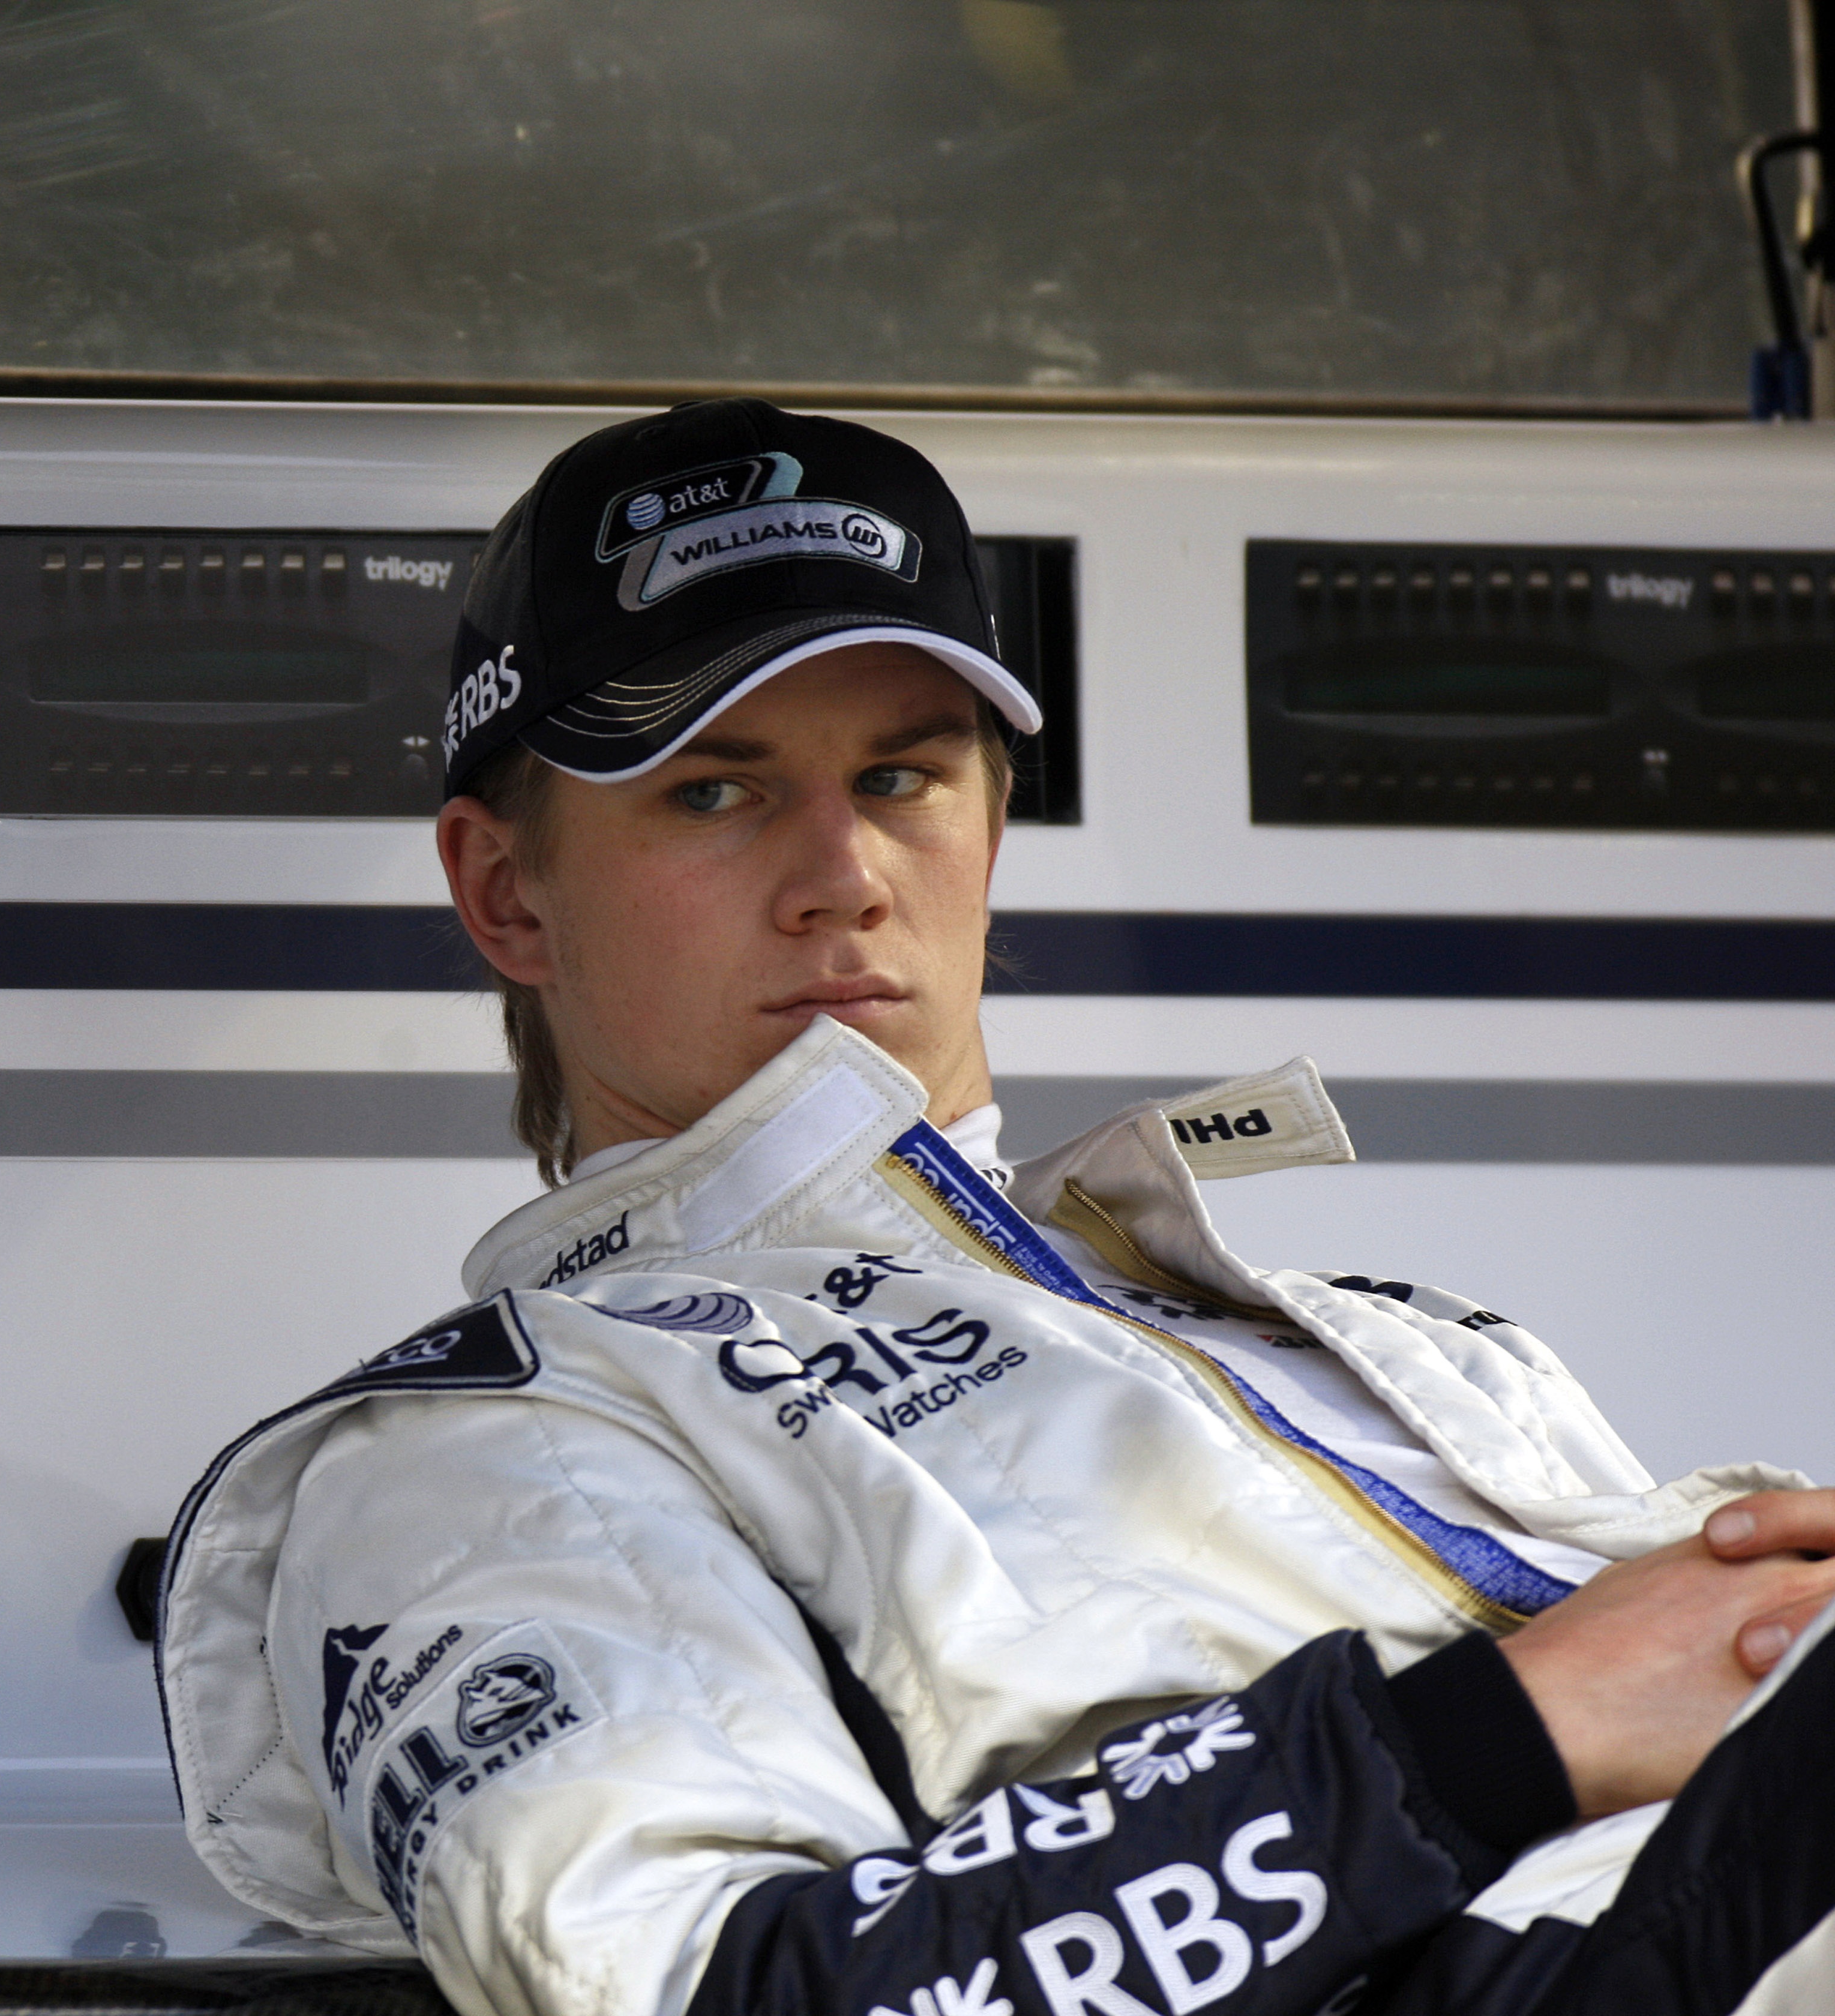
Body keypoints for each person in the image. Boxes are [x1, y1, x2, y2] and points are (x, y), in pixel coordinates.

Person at [154, 400, 1835, 2016]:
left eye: (902, 779)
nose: (844, 877)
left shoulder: (1394, 1337)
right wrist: (1505, 1731)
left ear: (992, 823)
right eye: (715, 792)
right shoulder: (493, 1446)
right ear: (506, 891)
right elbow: (714, 1991)